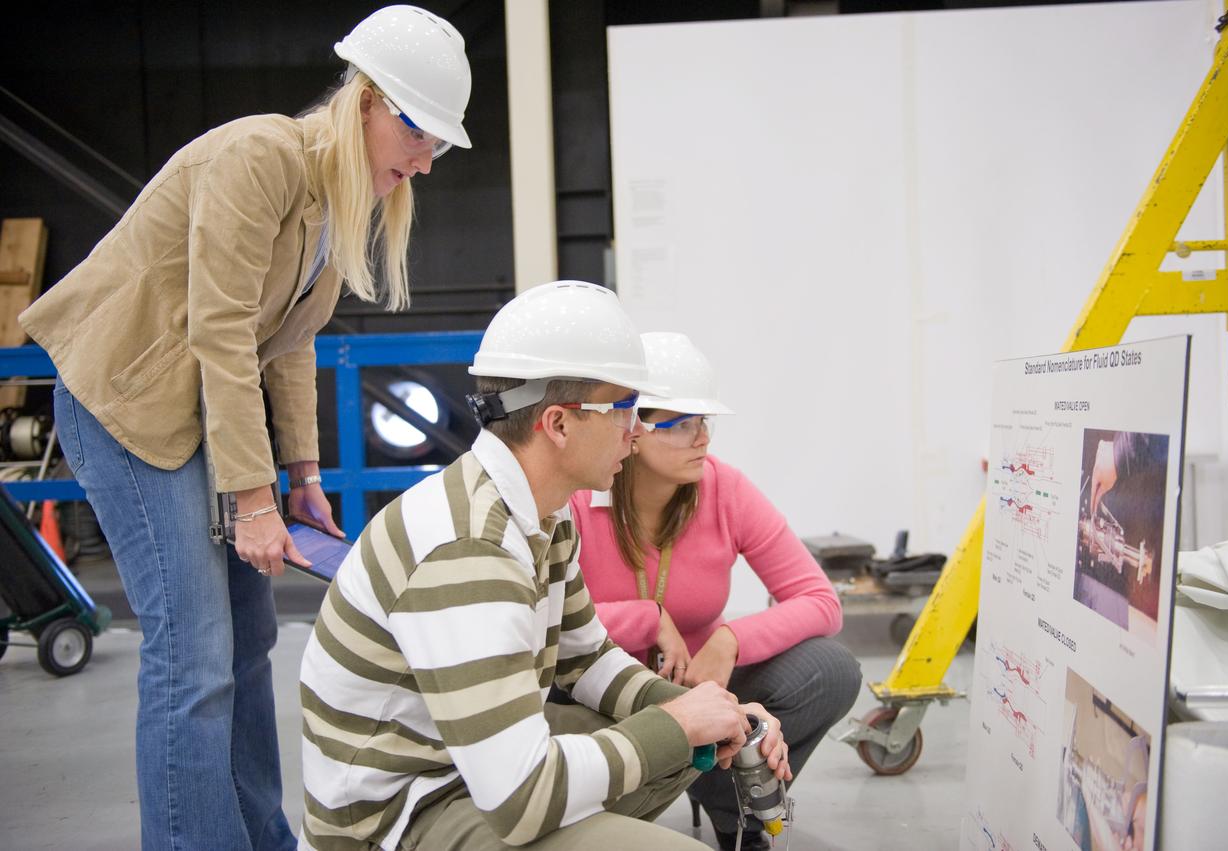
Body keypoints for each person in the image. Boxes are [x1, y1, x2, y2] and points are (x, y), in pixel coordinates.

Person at [18, 7, 472, 849]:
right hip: (122, 401)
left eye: (439, 146)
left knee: (250, 636)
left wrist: (301, 478)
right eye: (420, 136)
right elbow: (221, 330)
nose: (426, 162)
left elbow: (288, 347)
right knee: (192, 654)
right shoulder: (257, 158)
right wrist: (252, 499)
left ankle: (261, 834)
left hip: (191, 407)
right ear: (368, 101)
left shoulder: (337, 199)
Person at [299, 282, 791, 851]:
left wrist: (715, 712)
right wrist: (678, 724)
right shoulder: (468, 550)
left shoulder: (544, 514)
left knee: (678, 746)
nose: (636, 432)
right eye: (625, 408)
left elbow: (588, 659)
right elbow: (522, 799)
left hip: (465, 770)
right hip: (399, 817)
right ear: (558, 424)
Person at [570, 332, 862, 851]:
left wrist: (728, 640)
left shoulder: (723, 488)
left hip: (703, 683)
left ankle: (729, 803)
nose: (701, 439)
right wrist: (647, 616)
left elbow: (820, 602)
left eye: (704, 422)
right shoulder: (574, 499)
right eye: (682, 424)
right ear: (629, 429)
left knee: (831, 669)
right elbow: (541, 616)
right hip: (599, 689)